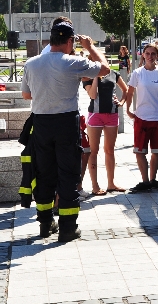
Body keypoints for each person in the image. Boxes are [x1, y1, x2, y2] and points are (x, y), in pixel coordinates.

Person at [21, 18, 109, 241]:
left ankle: (45, 223)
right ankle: (68, 227)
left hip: (41, 123)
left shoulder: (31, 64)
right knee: (68, 173)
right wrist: (90, 47)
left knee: (43, 173)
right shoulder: (71, 62)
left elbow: (26, 95)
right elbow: (105, 69)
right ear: (70, 41)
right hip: (66, 123)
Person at [125, 43, 158, 193]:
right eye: (147, 53)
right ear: (143, 55)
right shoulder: (138, 73)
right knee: (139, 151)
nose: (150, 56)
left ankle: (153, 180)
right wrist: (128, 109)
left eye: (153, 54)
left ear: (157, 56)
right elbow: (130, 92)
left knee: (157, 150)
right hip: (142, 116)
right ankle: (144, 181)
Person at [83, 67, 129, 194]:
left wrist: (122, 102)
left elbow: (125, 89)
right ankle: (95, 186)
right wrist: (96, 76)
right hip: (95, 115)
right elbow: (93, 95)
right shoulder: (87, 75)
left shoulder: (113, 74)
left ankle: (111, 184)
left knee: (110, 150)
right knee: (93, 151)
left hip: (112, 115)